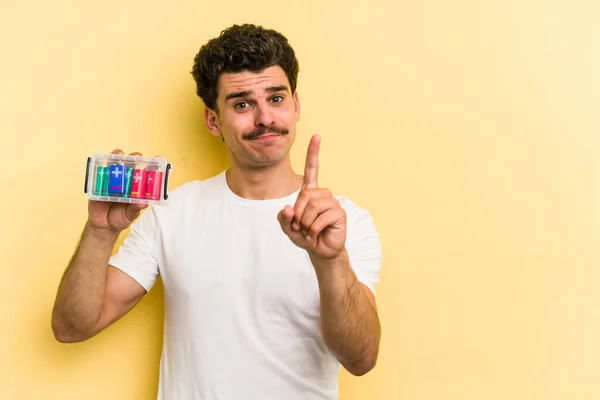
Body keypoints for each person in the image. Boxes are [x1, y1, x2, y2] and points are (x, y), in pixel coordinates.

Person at [51, 23, 382, 399]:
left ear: (295, 105)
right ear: (213, 121)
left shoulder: (344, 222)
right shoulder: (172, 213)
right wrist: (100, 231)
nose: (264, 118)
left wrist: (330, 261)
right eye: (242, 103)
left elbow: (361, 359)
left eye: (276, 99)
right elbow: (72, 327)